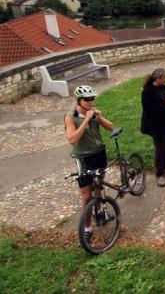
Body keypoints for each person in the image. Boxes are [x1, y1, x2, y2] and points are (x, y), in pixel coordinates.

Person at [64, 85, 114, 242]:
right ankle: (87, 227)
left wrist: (98, 117)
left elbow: (111, 127)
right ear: (79, 100)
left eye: (92, 99)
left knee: (98, 187)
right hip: (84, 158)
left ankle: (99, 213)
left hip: (99, 154)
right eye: (87, 99)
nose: (91, 102)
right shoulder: (70, 117)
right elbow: (72, 139)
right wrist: (86, 119)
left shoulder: (93, 113)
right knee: (86, 196)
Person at [140, 68, 165, 187]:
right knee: (160, 149)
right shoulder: (148, 91)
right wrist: (164, 104)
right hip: (157, 125)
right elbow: (148, 110)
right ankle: (159, 174)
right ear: (158, 78)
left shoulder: (163, 86)